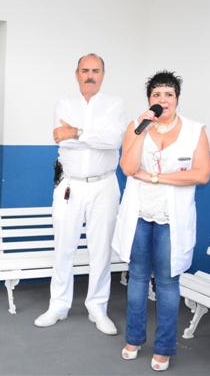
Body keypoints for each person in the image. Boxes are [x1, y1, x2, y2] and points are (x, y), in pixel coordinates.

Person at [113, 71, 210, 371]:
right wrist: (142, 131)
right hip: (140, 215)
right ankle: (133, 339)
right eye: (156, 95)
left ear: (177, 99)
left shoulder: (195, 130)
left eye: (168, 94)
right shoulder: (136, 126)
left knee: (167, 283)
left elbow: (201, 174)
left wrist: (156, 177)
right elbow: (128, 168)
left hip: (172, 218)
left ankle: (164, 347)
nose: (162, 100)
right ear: (149, 100)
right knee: (137, 277)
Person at [34, 53, 126, 335]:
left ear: (103, 74)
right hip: (70, 185)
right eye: (85, 70)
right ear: (77, 74)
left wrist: (76, 132)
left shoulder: (115, 104)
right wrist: (86, 136)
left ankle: (97, 307)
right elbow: (61, 139)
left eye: (95, 70)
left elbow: (114, 140)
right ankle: (58, 306)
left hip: (104, 185)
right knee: (64, 247)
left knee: (101, 250)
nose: (90, 75)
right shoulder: (65, 104)